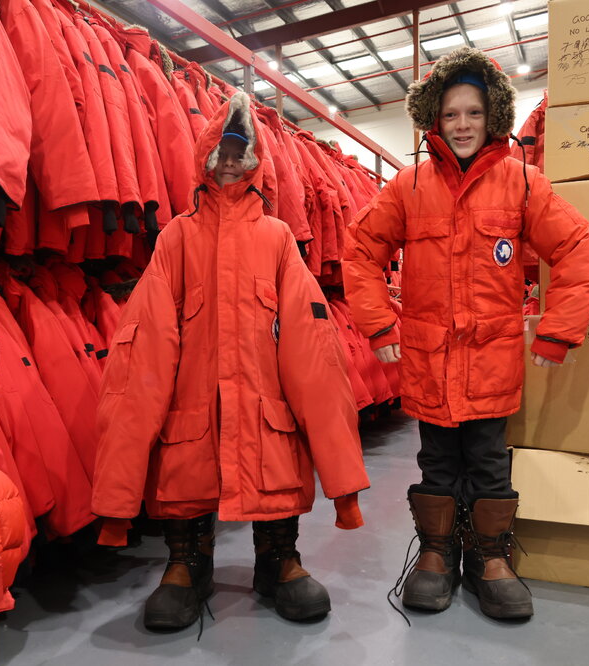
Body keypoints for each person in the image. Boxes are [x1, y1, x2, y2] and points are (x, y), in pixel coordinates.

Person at [92, 92, 370, 631]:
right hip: (191, 413)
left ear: (256, 162)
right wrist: (118, 489)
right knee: (187, 461)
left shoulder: (278, 238)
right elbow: (142, 355)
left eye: (239, 150)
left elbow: (312, 354)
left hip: (267, 413)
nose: (228, 159)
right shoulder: (175, 237)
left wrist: (343, 482)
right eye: (220, 148)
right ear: (202, 157)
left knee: (273, 452)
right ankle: (186, 561)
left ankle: (278, 557)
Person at [343, 47, 589, 620]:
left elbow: (576, 247)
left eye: (474, 114)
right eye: (452, 114)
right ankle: (436, 552)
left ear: (494, 118)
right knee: (436, 462)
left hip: (492, 364)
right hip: (429, 364)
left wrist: (557, 331)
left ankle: (490, 558)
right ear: (435, 117)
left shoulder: (523, 184)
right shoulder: (408, 188)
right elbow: (359, 249)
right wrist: (379, 322)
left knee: (487, 462)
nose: (462, 125)